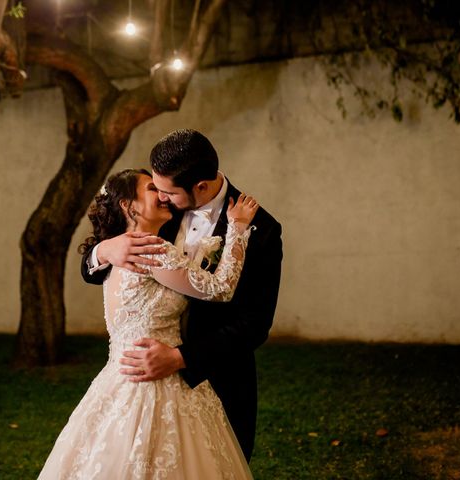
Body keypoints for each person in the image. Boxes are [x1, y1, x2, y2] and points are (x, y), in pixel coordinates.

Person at [38, 168, 258, 479]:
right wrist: (237, 229)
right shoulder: (152, 249)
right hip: (158, 382)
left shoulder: (124, 247)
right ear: (129, 206)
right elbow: (219, 288)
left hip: (121, 378)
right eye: (152, 189)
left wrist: (105, 247)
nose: (163, 195)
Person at [81, 129, 283, 460]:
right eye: (156, 189)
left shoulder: (262, 230)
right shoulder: (155, 209)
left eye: (167, 193)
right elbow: (90, 269)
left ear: (200, 187)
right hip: (139, 382)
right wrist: (104, 249)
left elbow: (254, 323)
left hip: (217, 375)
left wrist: (180, 357)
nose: (161, 197)